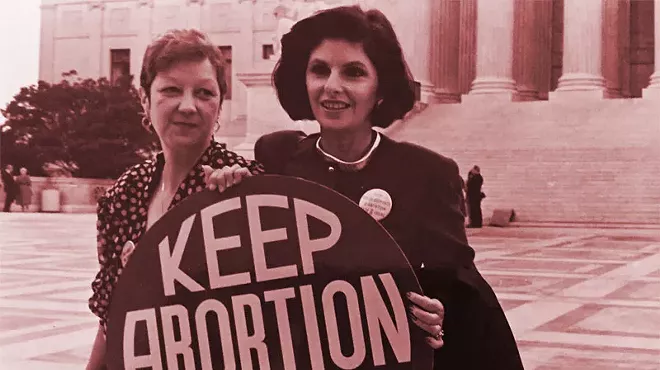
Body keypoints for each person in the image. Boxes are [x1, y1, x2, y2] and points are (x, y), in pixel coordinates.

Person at [213, 6, 524, 369]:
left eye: (354, 72)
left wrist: (442, 313)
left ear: (381, 89)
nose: (332, 86)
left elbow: (457, 283)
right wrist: (227, 187)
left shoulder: (428, 173)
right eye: (319, 70)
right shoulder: (278, 156)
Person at [85, 28, 263, 370]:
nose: (188, 106)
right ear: (145, 99)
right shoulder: (125, 193)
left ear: (219, 104)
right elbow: (111, 317)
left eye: (204, 93)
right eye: (170, 90)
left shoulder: (245, 186)